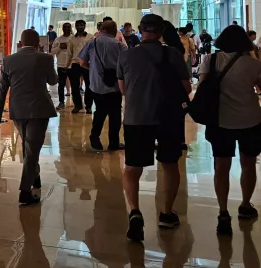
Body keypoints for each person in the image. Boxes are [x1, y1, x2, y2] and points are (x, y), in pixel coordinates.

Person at [116, 14, 192, 241]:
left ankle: (135, 212)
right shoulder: (173, 54)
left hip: (136, 117)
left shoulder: (126, 55)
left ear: (140, 30)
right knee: (170, 166)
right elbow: (186, 88)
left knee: (132, 168)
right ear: (161, 32)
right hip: (168, 118)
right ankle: (166, 214)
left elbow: (123, 90)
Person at [197, 25, 261, 235]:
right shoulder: (253, 64)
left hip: (220, 120)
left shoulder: (211, 60)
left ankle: (223, 212)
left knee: (221, 167)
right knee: (248, 164)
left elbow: (204, 88)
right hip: (250, 119)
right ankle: (245, 205)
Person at [0, 29, 58, 206]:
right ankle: (25, 191)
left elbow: (2, 91)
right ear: (39, 44)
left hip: (18, 110)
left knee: (28, 146)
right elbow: (53, 81)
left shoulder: (7, 60)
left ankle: (35, 177)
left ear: (20, 43)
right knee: (31, 149)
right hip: (39, 109)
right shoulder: (45, 58)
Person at [80, 20, 125, 152]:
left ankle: (95, 136)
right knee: (115, 114)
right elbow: (126, 65)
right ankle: (113, 143)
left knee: (99, 112)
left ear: (101, 30)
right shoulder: (119, 45)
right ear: (114, 30)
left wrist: (93, 69)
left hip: (97, 85)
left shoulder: (91, 43)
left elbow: (82, 62)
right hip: (115, 86)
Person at [68, 20, 93, 114]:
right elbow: (69, 53)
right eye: (78, 25)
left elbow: (93, 51)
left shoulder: (90, 37)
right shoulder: (71, 39)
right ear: (75, 26)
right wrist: (67, 65)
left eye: (82, 25)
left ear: (85, 26)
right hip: (75, 63)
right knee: (74, 86)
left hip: (87, 63)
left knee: (89, 86)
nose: (80, 27)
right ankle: (77, 106)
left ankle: (89, 106)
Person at [50, 22, 73, 110]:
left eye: (68, 27)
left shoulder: (73, 39)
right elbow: (52, 51)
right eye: (65, 27)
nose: (66, 29)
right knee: (61, 85)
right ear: (62, 28)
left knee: (74, 85)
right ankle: (61, 102)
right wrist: (60, 47)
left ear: (70, 28)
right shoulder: (58, 39)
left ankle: (77, 104)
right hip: (61, 65)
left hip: (72, 65)